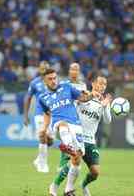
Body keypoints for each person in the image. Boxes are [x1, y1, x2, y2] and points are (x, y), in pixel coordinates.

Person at [38, 68, 100, 196]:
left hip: (76, 125)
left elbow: (82, 98)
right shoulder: (42, 97)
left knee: (76, 159)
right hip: (59, 125)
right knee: (62, 125)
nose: (53, 81)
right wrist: (44, 128)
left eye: (55, 78)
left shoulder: (66, 87)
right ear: (45, 81)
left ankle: (65, 189)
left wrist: (92, 95)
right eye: (50, 79)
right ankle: (68, 145)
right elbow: (47, 114)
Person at [49, 74, 112, 196]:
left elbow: (108, 120)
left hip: (90, 141)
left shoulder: (104, 101)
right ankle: (55, 187)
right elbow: (74, 100)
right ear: (93, 84)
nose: (102, 86)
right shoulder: (84, 95)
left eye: (104, 84)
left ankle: (83, 185)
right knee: (71, 165)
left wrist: (104, 106)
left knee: (95, 172)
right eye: (100, 83)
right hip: (76, 136)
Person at [23, 61, 51, 173]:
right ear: (39, 70)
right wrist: (26, 115)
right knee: (42, 136)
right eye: (42, 68)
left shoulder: (54, 82)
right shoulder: (35, 83)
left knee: (50, 141)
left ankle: (39, 158)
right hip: (39, 114)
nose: (44, 70)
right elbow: (28, 98)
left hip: (52, 115)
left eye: (46, 68)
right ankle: (42, 164)